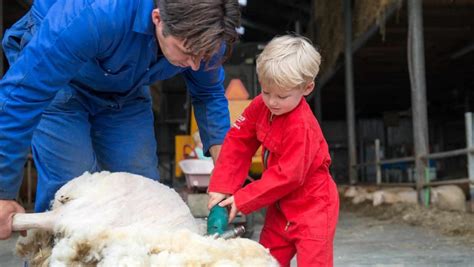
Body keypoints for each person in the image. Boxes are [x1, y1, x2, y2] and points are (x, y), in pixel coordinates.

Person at [0, 0, 240, 240]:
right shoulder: (96, 14)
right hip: (59, 82)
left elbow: (208, 94)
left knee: (145, 197)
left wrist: (225, 174)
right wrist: (3, 192)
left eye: (203, 56)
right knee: (71, 196)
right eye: (187, 53)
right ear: (158, 19)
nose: (195, 65)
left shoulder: (207, 34)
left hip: (123, 85)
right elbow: (22, 94)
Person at [207, 35, 339, 266]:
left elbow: (289, 175)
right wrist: (222, 186)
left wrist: (242, 198)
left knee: (313, 262)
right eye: (266, 91)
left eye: (282, 96)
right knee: (267, 259)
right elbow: (239, 140)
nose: (272, 102)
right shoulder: (261, 105)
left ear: (307, 88)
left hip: (313, 208)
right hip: (280, 208)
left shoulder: (301, 127)